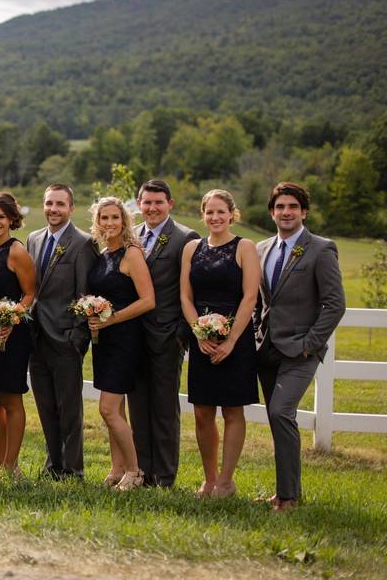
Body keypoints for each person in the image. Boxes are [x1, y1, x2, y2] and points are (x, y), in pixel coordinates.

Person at [254, 182, 345, 512]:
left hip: (300, 351)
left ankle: (289, 498)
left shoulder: (321, 249)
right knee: (277, 420)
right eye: (280, 207)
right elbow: (258, 301)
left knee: (281, 411)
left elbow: (335, 304)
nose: (286, 212)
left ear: (303, 211)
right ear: (272, 212)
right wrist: (254, 334)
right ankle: (285, 492)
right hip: (266, 349)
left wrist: (310, 344)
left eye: (292, 206)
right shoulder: (261, 249)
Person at [180, 189, 261, 498]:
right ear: (203, 215)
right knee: (202, 411)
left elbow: (250, 297)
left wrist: (230, 341)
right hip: (200, 338)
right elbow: (185, 297)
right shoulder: (192, 248)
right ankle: (209, 479)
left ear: (231, 214)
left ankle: (227, 481)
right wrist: (198, 333)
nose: (215, 217)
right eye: (209, 212)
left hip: (236, 339)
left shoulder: (245, 247)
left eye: (220, 212)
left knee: (231, 410)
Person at [26, 184, 99, 479]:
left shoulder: (83, 243)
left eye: (59, 204)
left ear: (71, 208)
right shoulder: (32, 239)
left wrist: (77, 338)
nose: (53, 209)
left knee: (69, 407)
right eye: (49, 203)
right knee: (44, 404)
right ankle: (52, 464)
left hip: (66, 337)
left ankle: (73, 468)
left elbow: (86, 293)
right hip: (36, 337)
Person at [131, 180, 200, 487]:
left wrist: (182, 333)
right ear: (138, 204)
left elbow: (193, 290)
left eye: (158, 202)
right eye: (146, 202)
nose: (152, 208)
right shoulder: (131, 235)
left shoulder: (185, 238)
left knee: (163, 408)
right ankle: (142, 470)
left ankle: (165, 476)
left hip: (167, 336)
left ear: (170, 204)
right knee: (138, 406)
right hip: (133, 337)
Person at [86, 197, 155, 491]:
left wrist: (112, 320)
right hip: (104, 340)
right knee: (117, 410)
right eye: (104, 218)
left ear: (124, 221)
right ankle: (117, 470)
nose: (109, 223)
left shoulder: (132, 254)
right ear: (97, 222)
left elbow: (148, 300)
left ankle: (135, 471)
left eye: (115, 217)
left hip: (126, 340)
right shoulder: (103, 255)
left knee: (108, 409)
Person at [0, 192, 36, 478]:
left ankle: (12, 466)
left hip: (13, 333)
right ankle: (0, 463)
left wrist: (12, 318)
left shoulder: (16, 251)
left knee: (11, 399)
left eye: (0, 217)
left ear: (12, 219)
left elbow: (30, 293)